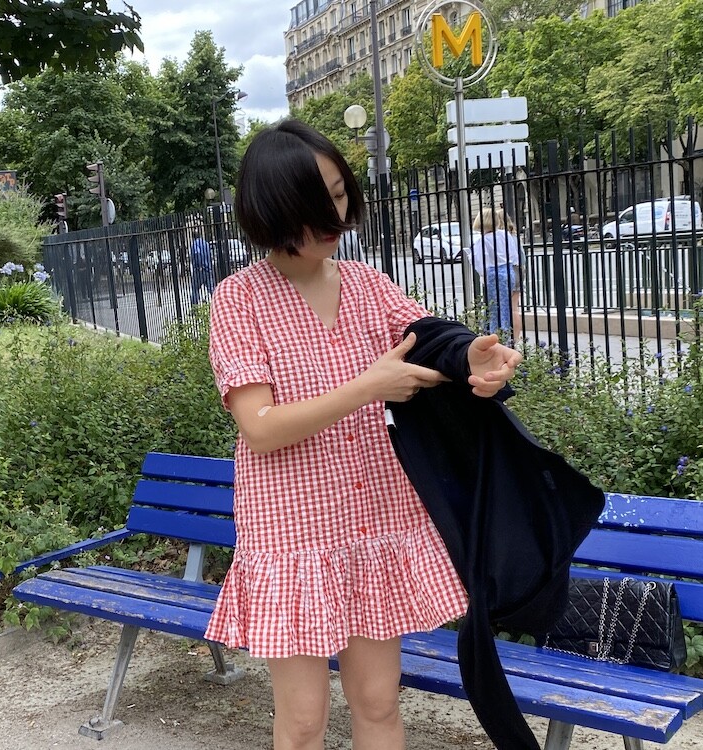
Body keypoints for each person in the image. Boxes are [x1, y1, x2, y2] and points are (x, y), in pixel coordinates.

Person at [206, 119, 522, 750]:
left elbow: (432, 342)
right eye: (313, 203)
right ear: (271, 209)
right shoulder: (239, 300)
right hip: (292, 532)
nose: (333, 216)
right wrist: (367, 386)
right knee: (303, 722)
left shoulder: (369, 287)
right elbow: (259, 429)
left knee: (378, 703)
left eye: (339, 195)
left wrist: (477, 359)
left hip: (374, 517)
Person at [471, 206, 522, 341]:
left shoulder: (482, 240)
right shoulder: (505, 234)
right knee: (506, 306)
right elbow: (514, 255)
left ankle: (495, 335)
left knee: (494, 307)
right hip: (508, 270)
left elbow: (480, 262)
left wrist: (483, 275)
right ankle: (506, 334)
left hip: (494, 273)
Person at [190, 231, 215, 305]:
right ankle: (216, 301)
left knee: (195, 289)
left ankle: (194, 307)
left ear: (193, 237)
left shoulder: (195, 244)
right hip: (208, 269)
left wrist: (199, 265)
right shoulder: (206, 243)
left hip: (199, 270)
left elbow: (197, 254)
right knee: (211, 289)